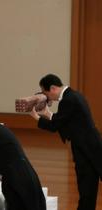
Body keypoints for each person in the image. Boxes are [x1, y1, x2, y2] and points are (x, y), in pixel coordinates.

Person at [30, 74, 102, 210]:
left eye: (45, 93)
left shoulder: (68, 100)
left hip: (87, 150)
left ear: (52, 88)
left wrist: (35, 117)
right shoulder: (73, 95)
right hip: (90, 146)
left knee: (87, 188)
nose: (46, 97)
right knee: (87, 189)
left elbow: (55, 126)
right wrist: (47, 114)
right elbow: (65, 121)